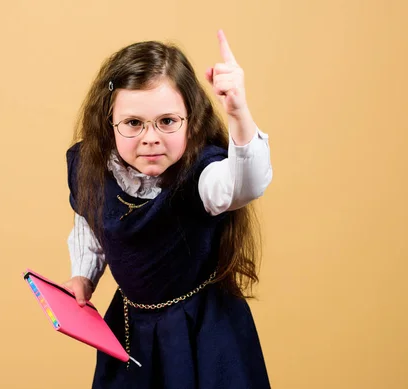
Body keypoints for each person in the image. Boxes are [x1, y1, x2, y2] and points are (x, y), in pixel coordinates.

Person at [62, 29, 273, 389]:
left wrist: (238, 113)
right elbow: (93, 222)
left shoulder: (203, 175)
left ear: (190, 118)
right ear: (109, 123)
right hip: (132, 328)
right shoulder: (95, 167)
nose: (150, 137)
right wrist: (84, 275)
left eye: (167, 121)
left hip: (202, 332)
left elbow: (245, 184)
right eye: (132, 123)